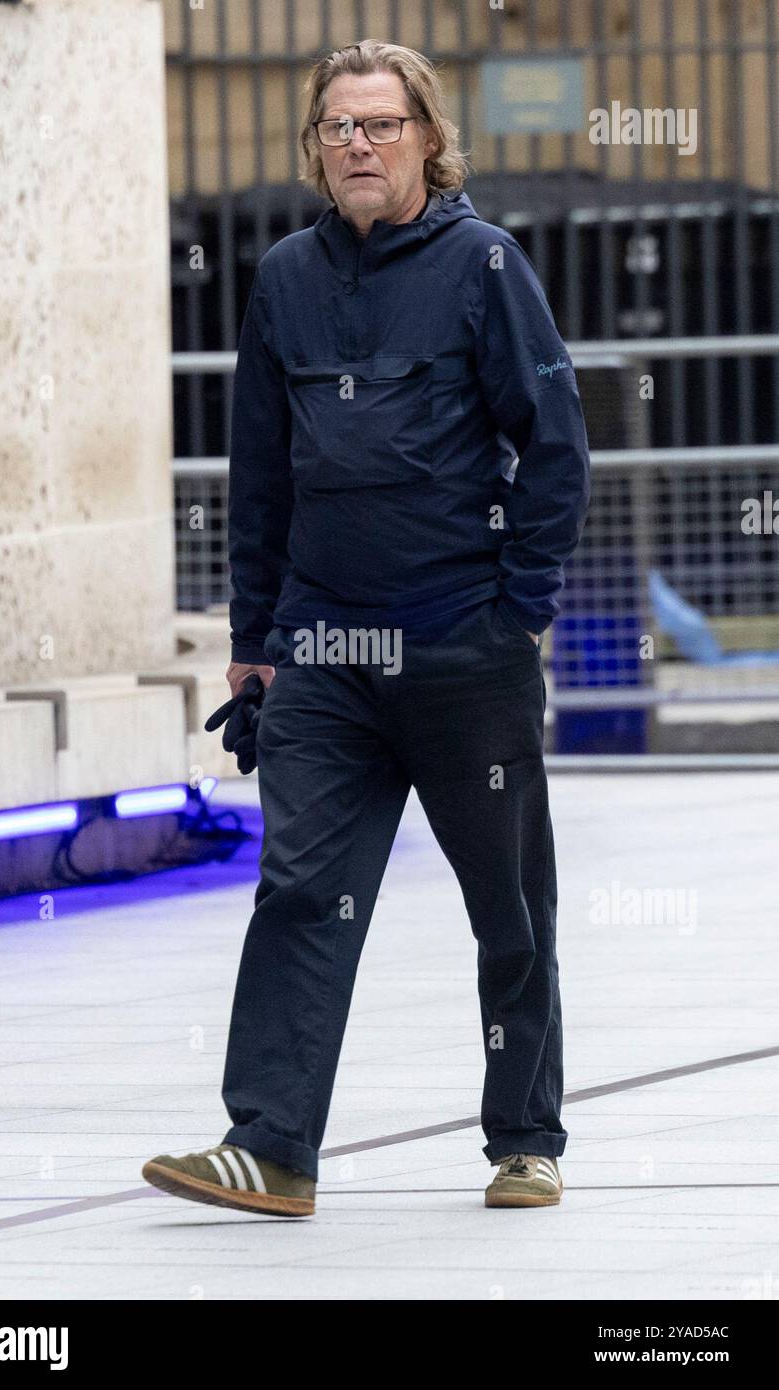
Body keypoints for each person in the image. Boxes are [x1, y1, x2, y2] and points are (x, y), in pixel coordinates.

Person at [143, 39, 590, 1218]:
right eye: (337, 127)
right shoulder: (284, 276)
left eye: (380, 124)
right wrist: (256, 634)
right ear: (315, 149)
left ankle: (525, 1138)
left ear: (429, 141)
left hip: (460, 645)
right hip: (322, 655)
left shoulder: (484, 265)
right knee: (297, 890)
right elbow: (259, 472)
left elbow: (555, 446)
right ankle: (272, 1144)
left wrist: (519, 610)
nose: (356, 144)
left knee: (506, 903)